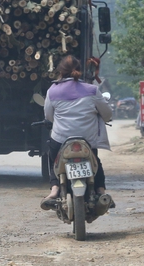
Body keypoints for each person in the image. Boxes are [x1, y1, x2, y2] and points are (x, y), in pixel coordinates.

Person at [42, 55, 114, 208]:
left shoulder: (52, 91)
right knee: (95, 161)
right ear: (80, 71)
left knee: (52, 157)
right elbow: (107, 115)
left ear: (61, 71)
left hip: (61, 140)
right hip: (87, 141)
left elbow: (49, 116)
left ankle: (54, 189)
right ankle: (101, 191)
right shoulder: (93, 90)